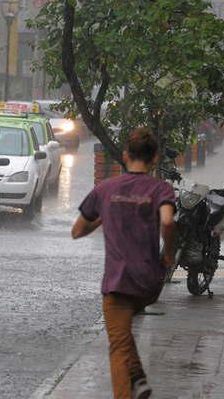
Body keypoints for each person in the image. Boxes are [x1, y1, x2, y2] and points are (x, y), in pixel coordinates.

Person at [71, 128, 176, 399]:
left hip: (118, 281)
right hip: (149, 281)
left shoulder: (105, 189)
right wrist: (169, 255)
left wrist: (101, 219)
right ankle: (139, 379)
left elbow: (77, 231)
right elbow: (167, 220)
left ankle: (128, 391)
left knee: (117, 342)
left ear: (126, 155)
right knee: (123, 331)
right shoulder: (160, 188)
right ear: (154, 159)